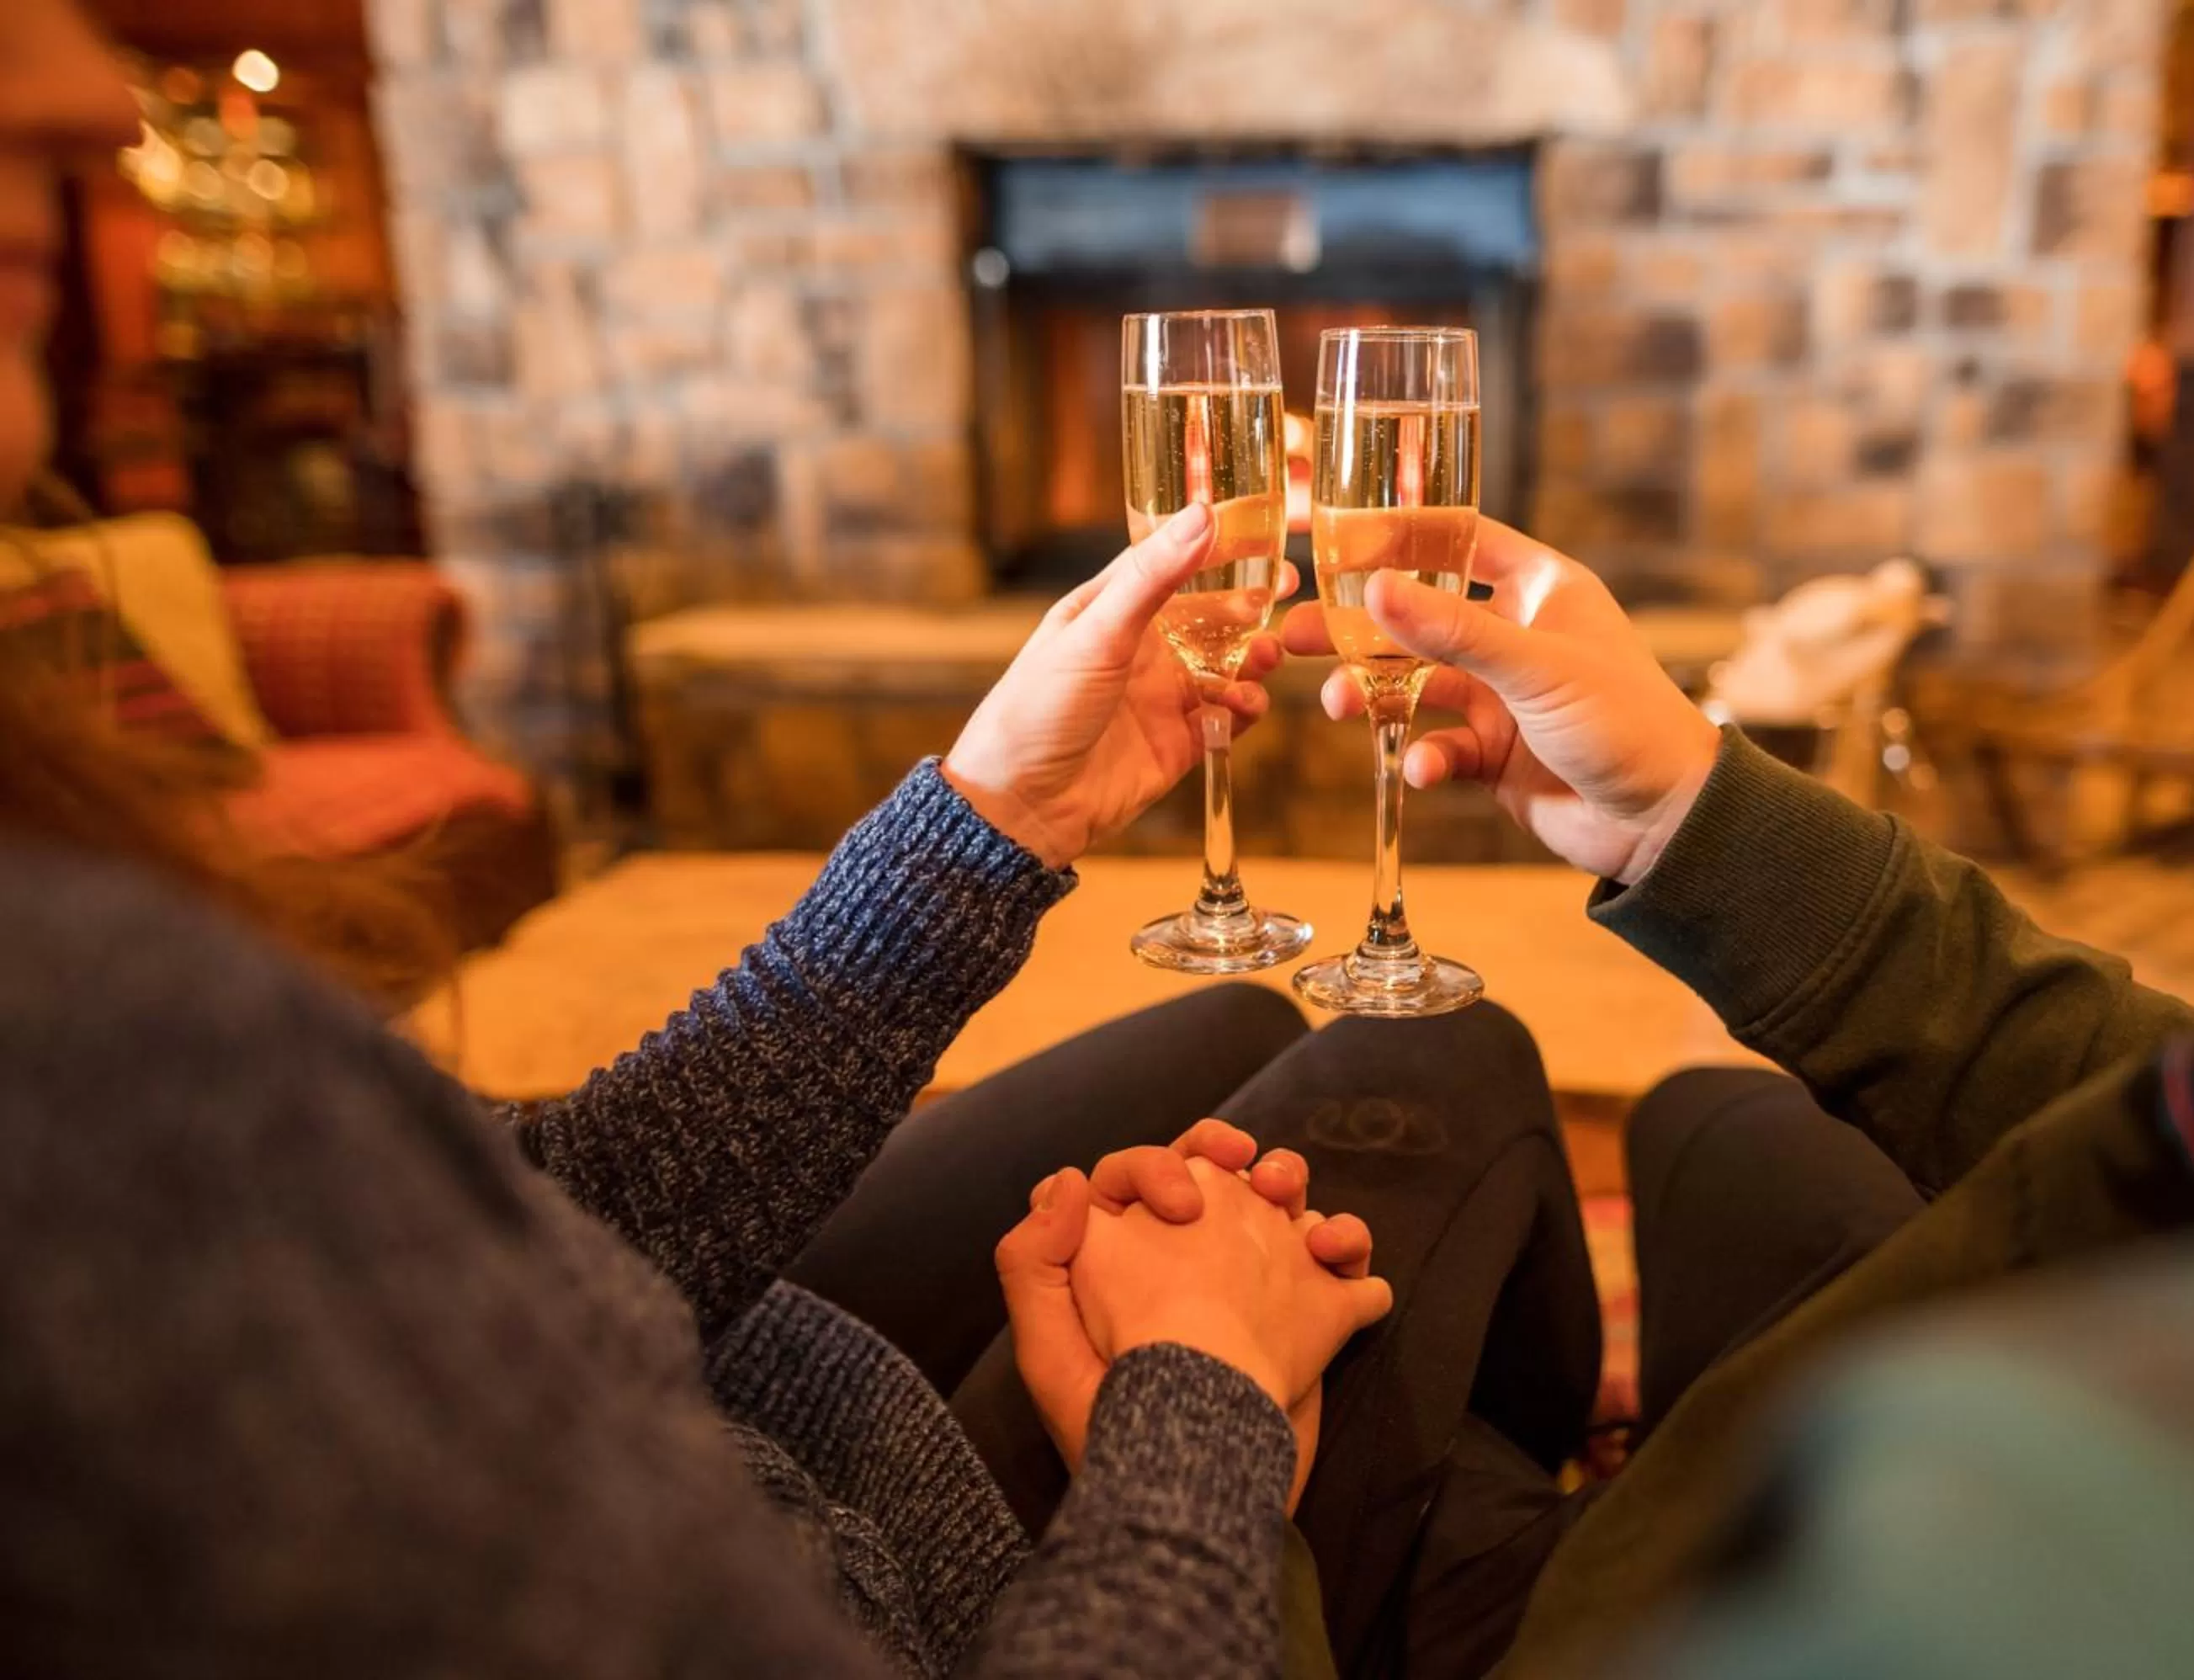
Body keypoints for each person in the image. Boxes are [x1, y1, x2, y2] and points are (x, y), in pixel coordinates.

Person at [1, 5, 1608, 1676]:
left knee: (1248, 1022)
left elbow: (560, 1221)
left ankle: (1459, 1528)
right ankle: (1477, 1547)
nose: (94, 91)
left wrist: (991, 817)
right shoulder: (93, 1046)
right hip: (934, 1587)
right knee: (1448, 1059)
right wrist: (1196, 1398)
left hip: (751, 1380)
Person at [1269, 522, 2194, 1677]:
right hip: (1930, 1376)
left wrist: (1202, 1411)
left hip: (1669, 1602)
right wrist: (1692, 820)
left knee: (1423, 1055)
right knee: (1727, 1114)